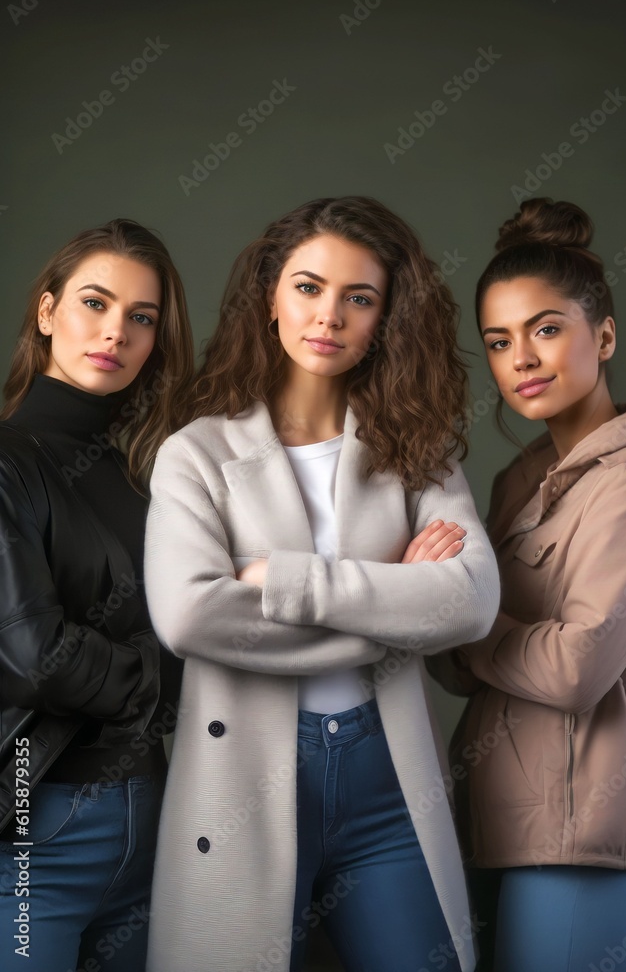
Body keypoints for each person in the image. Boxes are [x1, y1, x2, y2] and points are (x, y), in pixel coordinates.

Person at [143, 195, 500, 972]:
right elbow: (191, 618)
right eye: (308, 287)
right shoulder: (195, 454)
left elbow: (470, 600)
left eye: (359, 298)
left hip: (387, 778)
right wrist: (394, 600)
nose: (328, 315)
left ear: (386, 320)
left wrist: (284, 581)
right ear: (270, 295)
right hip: (246, 782)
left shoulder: (417, 449)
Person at [429, 197, 626, 972]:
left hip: (579, 824)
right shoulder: (515, 482)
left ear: (602, 335)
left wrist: (465, 614)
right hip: (490, 812)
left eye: (545, 329)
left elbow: (577, 668)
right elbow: (452, 667)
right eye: (498, 342)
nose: (521, 359)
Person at [0, 218, 194, 972]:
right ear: (47, 313)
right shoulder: (8, 463)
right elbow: (33, 658)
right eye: (94, 303)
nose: (114, 332)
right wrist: (179, 670)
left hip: (155, 821)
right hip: (35, 822)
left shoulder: (143, 478)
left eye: (140, 318)